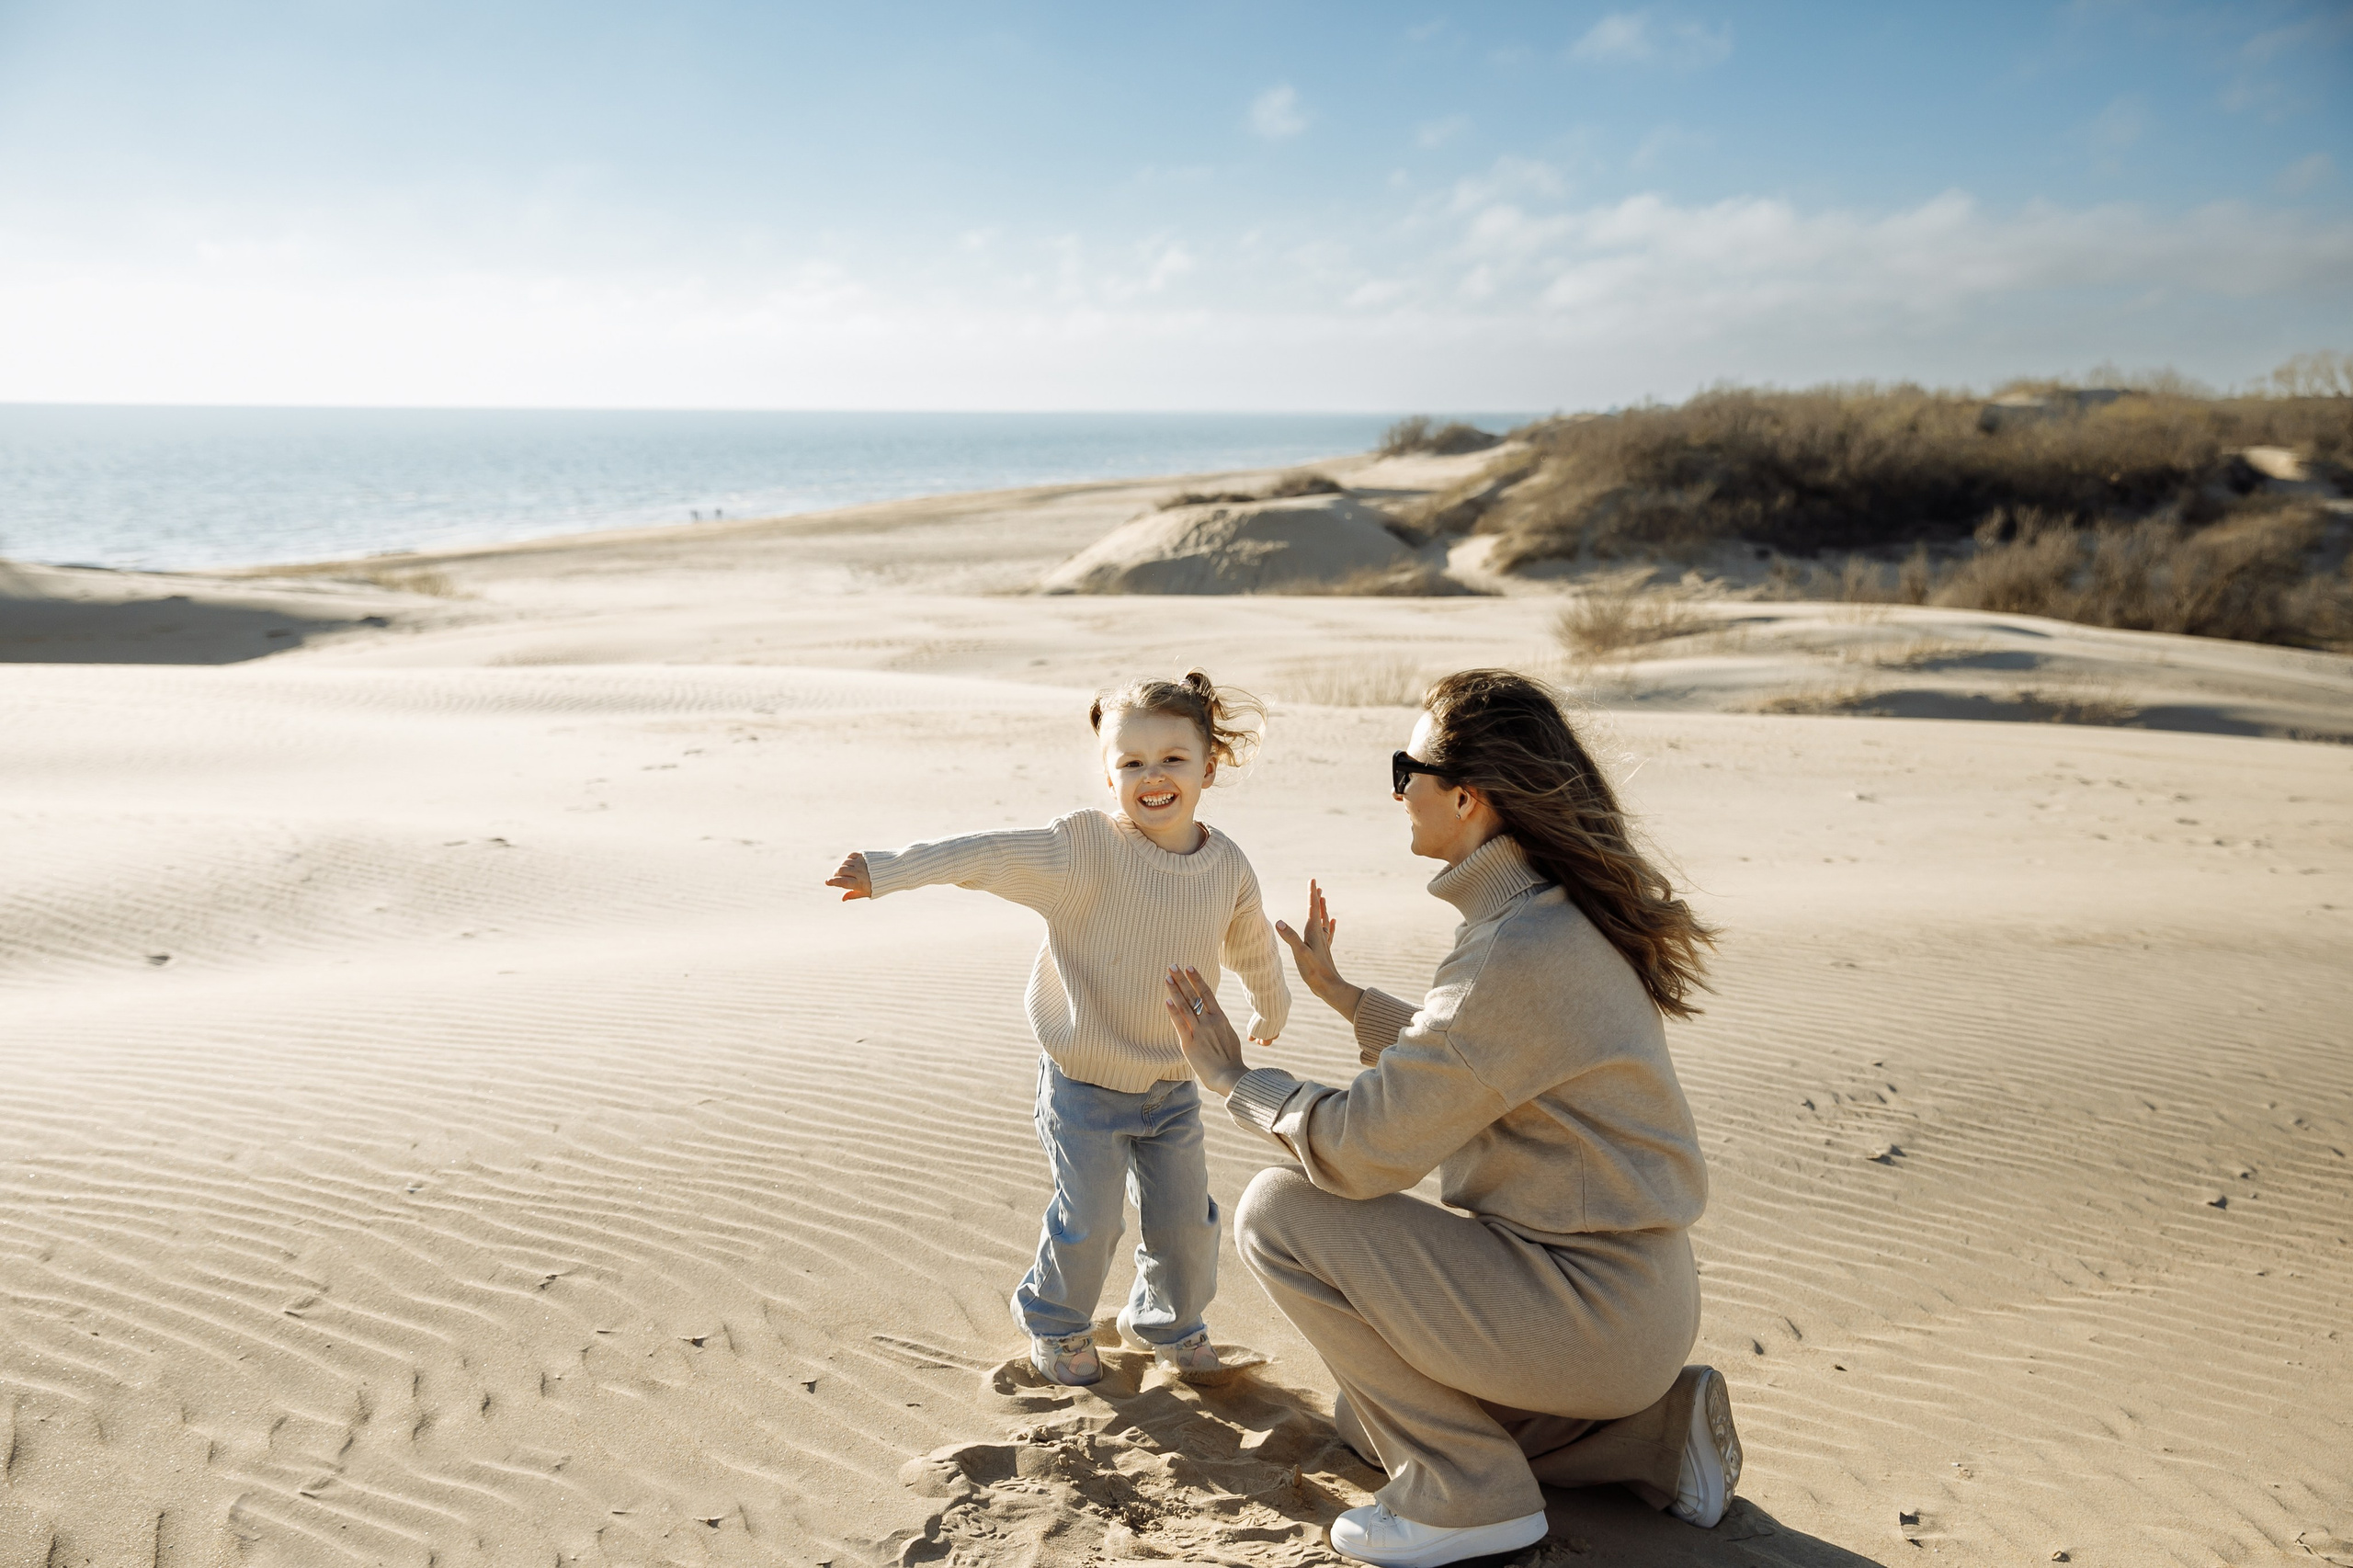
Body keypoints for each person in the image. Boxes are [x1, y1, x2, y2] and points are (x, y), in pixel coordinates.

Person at [1163, 669, 1742, 1568]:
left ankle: (1470, 1495)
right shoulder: (1543, 916)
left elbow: (1360, 1153)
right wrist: (1348, 996)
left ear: (1466, 796)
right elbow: (1484, 1063)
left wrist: (1236, 1076)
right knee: (1368, 1416)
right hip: (1629, 1305)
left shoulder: (1516, 952)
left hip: (1586, 1306)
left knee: (1277, 1212)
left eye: (1408, 768)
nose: (1398, 791)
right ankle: (1656, 1437)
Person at [827, 670, 1290, 1386]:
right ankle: (1058, 1324)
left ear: (1209, 765)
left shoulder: (1225, 863)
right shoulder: (1084, 849)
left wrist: (1270, 1000)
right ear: (1108, 775)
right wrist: (888, 870)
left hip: (1173, 1085)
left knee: (1185, 1224)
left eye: (1172, 758)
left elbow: (1251, 939)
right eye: (1130, 762)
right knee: (1091, 1222)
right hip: (1084, 1086)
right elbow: (985, 854)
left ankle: (1169, 1322)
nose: (1153, 776)